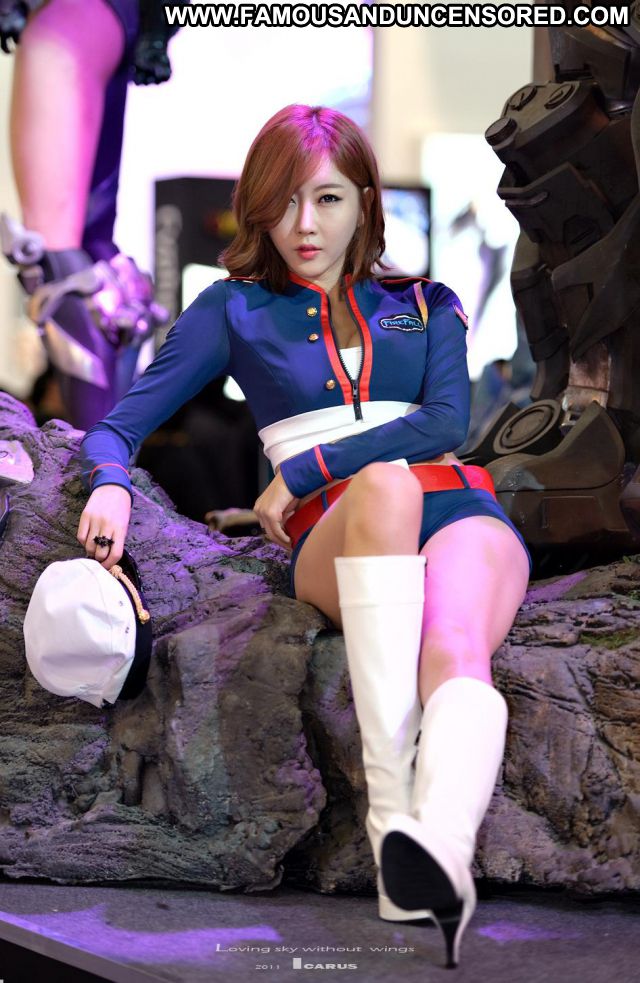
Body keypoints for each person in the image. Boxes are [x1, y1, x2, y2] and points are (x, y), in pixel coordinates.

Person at [76, 104, 532, 969]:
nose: (304, 224)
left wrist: (312, 462)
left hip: (459, 508)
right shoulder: (235, 310)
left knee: (457, 648)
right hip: (338, 531)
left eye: (327, 199)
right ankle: (391, 817)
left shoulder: (421, 304)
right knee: (385, 485)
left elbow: (446, 422)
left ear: (364, 201)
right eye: (284, 201)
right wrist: (108, 481)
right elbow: (119, 425)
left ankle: (439, 853)